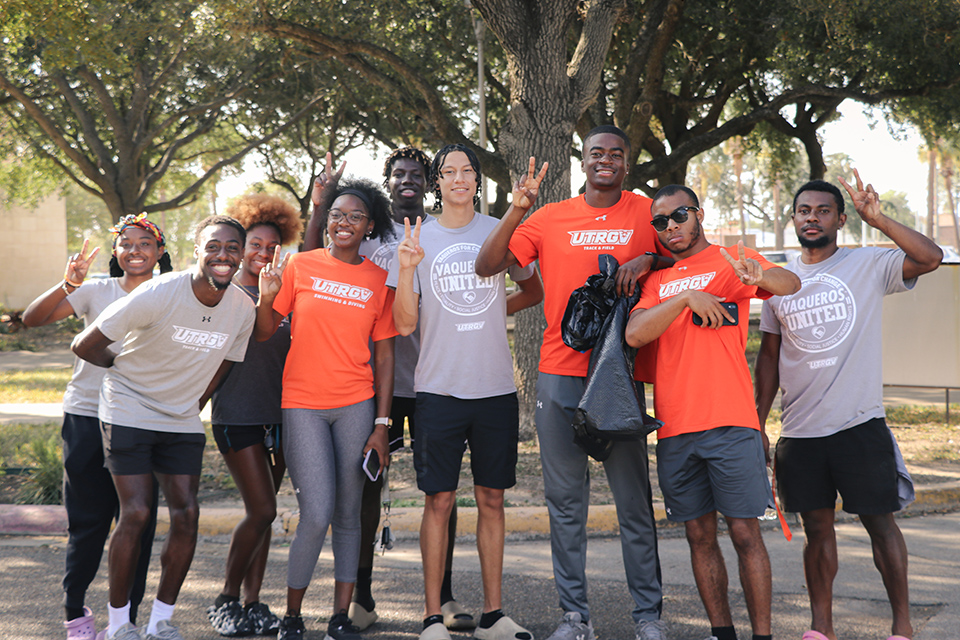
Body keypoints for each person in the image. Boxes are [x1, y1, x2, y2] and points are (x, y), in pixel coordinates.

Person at [476, 125, 670, 640]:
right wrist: (516, 209)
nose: (605, 160)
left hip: (617, 376)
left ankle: (648, 617)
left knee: (633, 502)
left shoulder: (646, 210)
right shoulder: (550, 217)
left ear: (627, 163)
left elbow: (685, 254)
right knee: (566, 504)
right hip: (559, 374)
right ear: (582, 162)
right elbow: (488, 265)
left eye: (616, 153)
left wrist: (649, 257)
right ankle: (574, 617)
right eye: (595, 153)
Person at [754, 172, 942, 640]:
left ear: (839, 218)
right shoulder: (777, 282)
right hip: (800, 433)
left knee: (880, 524)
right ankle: (822, 629)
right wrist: (756, 423)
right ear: (793, 219)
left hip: (860, 425)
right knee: (817, 531)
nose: (811, 218)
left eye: (822, 210)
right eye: (803, 210)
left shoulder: (867, 265)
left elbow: (930, 258)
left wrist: (877, 220)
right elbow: (769, 359)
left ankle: (901, 625)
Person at [303, 148, 473, 631]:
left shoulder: (442, 234)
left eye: (417, 175)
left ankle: (445, 597)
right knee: (366, 489)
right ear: (387, 181)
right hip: (375, 386)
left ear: (430, 183)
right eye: (398, 174)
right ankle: (362, 597)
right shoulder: (368, 237)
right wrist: (320, 204)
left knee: (440, 491)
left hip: (434, 383)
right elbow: (313, 259)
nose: (408, 181)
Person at [624, 185, 800, 640]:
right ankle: (722, 633)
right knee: (698, 538)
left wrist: (755, 271)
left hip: (730, 421)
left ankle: (762, 635)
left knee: (745, 534)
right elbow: (636, 333)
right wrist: (685, 299)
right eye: (659, 222)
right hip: (675, 428)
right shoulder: (658, 281)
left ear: (697, 213)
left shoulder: (730, 259)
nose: (670, 227)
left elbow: (789, 284)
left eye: (678, 216)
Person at [71, 215, 256, 640]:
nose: (222, 255)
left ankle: (160, 621)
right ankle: (120, 625)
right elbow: (84, 344)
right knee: (135, 512)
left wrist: (195, 400)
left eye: (231, 248)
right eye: (213, 247)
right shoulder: (159, 291)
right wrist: (129, 374)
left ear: (241, 254)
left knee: (187, 513)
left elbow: (228, 360)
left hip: (181, 417)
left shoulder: (243, 308)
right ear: (197, 251)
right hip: (128, 409)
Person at [391, 144, 543, 640]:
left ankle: (494, 616)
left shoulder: (501, 229)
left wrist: (495, 310)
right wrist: (410, 268)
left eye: (467, 171)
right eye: (448, 172)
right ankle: (433, 617)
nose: (458, 178)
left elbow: (533, 289)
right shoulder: (419, 238)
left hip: (494, 388)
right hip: (437, 390)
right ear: (438, 182)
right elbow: (404, 322)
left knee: (492, 499)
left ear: (478, 180)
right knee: (438, 502)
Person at [256, 178, 397, 640]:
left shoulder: (379, 281)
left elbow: (385, 356)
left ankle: (340, 616)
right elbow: (264, 331)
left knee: (349, 513)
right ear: (327, 219)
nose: (343, 222)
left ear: (369, 226)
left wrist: (381, 424)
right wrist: (265, 295)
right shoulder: (299, 266)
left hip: (356, 404)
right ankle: (292, 616)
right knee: (316, 513)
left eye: (355, 216)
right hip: (303, 405)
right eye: (337, 214)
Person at [22, 213, 171, 640]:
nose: (135, 250)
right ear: (116, 251)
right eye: (126, 243)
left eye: (145, 243)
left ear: (160, 252)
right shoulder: (97, 291)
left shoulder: (171, 292)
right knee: (88, 522)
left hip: (144, 420)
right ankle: (76, 616)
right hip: (87, 416)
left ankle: (126, 620)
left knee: (138, 520)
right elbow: (32, 319)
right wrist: (68, 282)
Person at [206, 195, 303, 637]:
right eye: (255, 245)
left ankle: (253, 602)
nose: (263, 254)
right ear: (242, 246)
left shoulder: (287, 292)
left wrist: (318, 202)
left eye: (272, 247)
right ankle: (226, 599)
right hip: (237, 414)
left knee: (265, 512)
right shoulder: (224, 294)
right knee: (261, 510)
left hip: (281, 415)